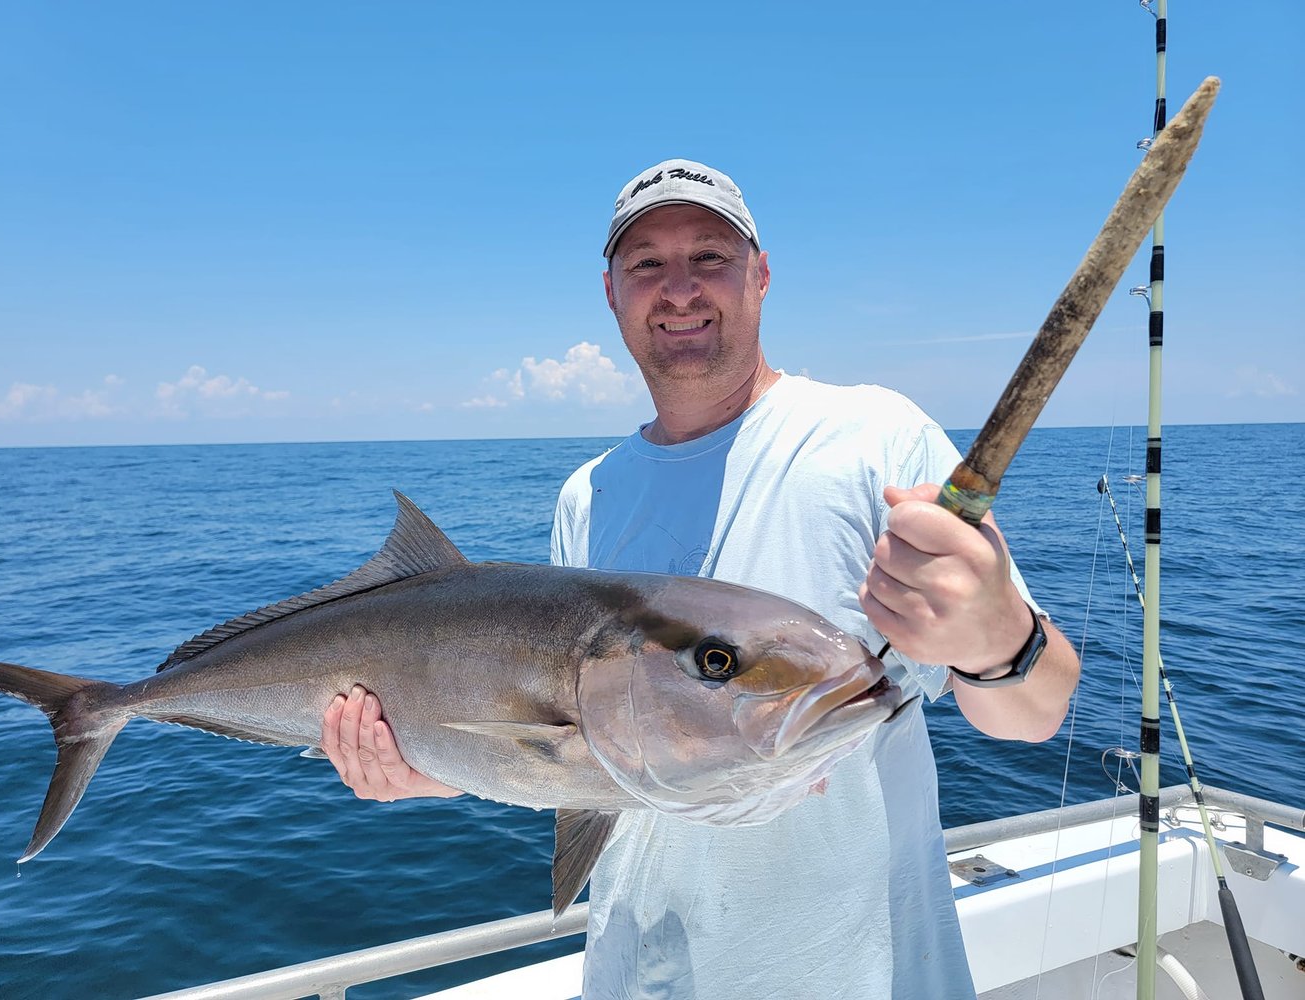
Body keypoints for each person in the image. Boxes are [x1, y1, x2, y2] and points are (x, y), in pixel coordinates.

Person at [321, 159, 1081, 999]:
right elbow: (596, 758)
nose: (677, 288)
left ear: (760, 274)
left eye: (709, 256)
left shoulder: (871, 439)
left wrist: (995, 641)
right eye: (646, 263)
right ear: (611, 292)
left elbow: (1035, 713)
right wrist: (436, 764)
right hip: (633, 973)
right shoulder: (591, 492)